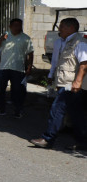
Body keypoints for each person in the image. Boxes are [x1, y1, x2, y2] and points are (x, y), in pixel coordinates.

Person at [30, 18, 87, 149]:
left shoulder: (80, 43)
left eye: (61, 27)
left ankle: (48, 138)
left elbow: (84, 64)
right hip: (63, 82)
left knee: (57, 109)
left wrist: (78, 82)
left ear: (70, 28)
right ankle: (82, 142)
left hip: (71, 84)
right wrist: (51, 76)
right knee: (76, 113)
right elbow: (57, 61)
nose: (59, 29)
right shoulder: (61, 42)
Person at [0, 18, 34, 117]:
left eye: (19, 25)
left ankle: (18, 110)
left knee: (17, 91)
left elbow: (30, 53)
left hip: (18, 68)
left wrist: (29, 67)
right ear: (10, 26)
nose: (17, 27)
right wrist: (1, 39)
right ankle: (0, 109)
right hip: (4, 67)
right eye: (15, 25)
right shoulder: (5, 37)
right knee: (1, 89)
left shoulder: (26, 38)